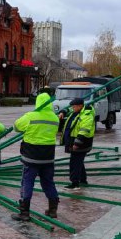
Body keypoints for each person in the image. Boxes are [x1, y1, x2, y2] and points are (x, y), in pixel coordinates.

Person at [12, 91, 60, 220]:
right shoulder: (55, 118)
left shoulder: (31, 116)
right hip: (48, 158)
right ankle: (52, 210)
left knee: (27, 182)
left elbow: (16, 126)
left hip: (31, 157)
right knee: (48, 182)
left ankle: (24, 213)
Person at [60, 97, 95, 189]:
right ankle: (83, 180)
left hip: (81, 143)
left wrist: (77, 144)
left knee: (75, 163)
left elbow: (84, 130)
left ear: (80, 106)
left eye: (74, 106)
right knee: (78, 162)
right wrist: (63, 111)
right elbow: (68, 109)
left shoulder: (86, 115)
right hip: (75, 141)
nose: (72, 108)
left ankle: (75, 184)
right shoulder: (77, 111)